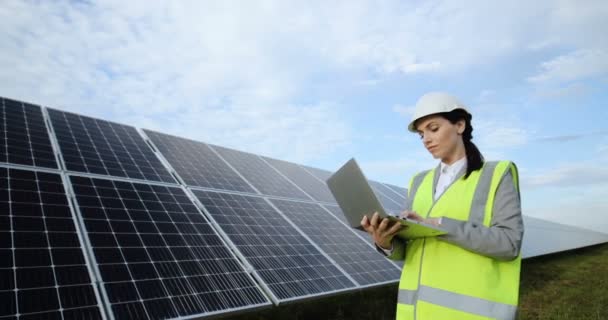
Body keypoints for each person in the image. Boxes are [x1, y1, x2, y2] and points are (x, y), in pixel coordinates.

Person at [361, 92, 524, 320]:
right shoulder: (418, 182)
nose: (426, 139)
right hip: (415, 314)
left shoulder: (496, 174)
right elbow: (412, 251)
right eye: (421, 135)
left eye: (433, 128)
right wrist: (385, 242)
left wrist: (438, 224)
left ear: (459, 125)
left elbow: (508, 245)